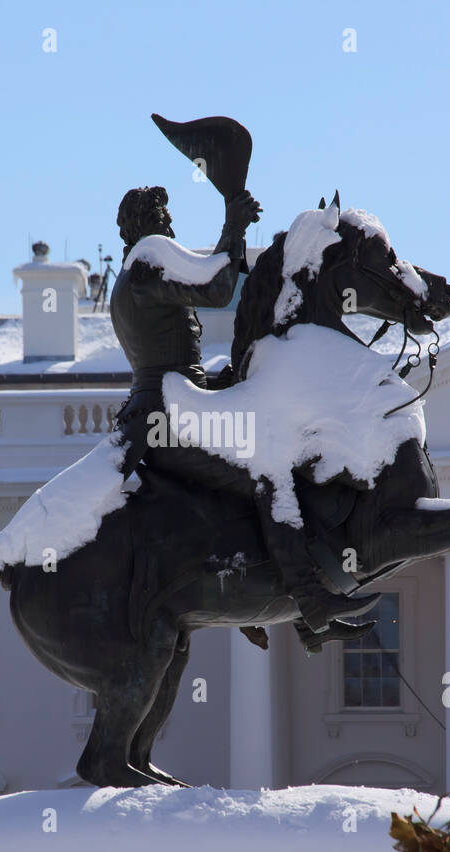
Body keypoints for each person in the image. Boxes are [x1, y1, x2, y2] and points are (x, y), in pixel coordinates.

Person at [109, 185, 373, 643]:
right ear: (150, 224)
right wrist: (233, 223)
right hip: (169, 418)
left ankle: (291, 612)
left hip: (172, 408)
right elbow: (217, 287)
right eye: (164, 217)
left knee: (261, 465)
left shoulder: (136, 271)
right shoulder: (149, 261)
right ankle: (310, 602)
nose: (171, 227)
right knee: (267, 476)